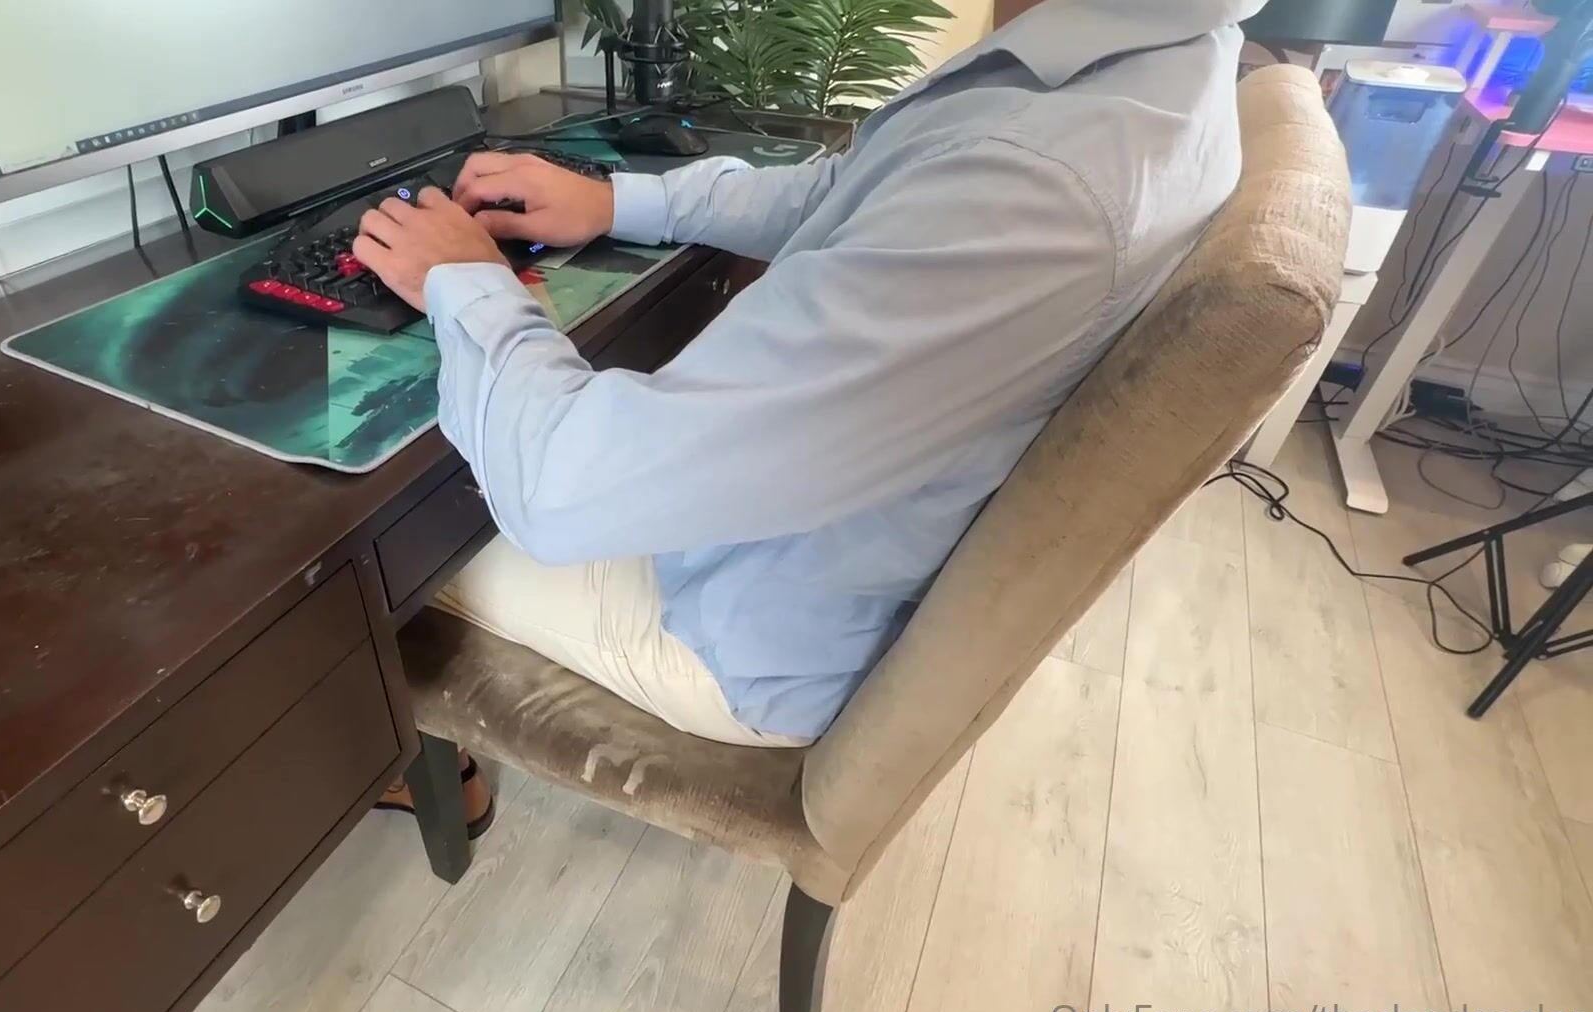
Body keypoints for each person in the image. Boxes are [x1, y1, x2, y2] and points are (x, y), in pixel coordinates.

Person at [367, 0, 1264, 826]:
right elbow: (859, 187)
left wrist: (467, 279)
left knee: (373, 568)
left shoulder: (1040, 188)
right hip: (793, 540)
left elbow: (558, 490)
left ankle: (415, 775)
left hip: (734, 628)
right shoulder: (1146, 67)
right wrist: (621, 202)